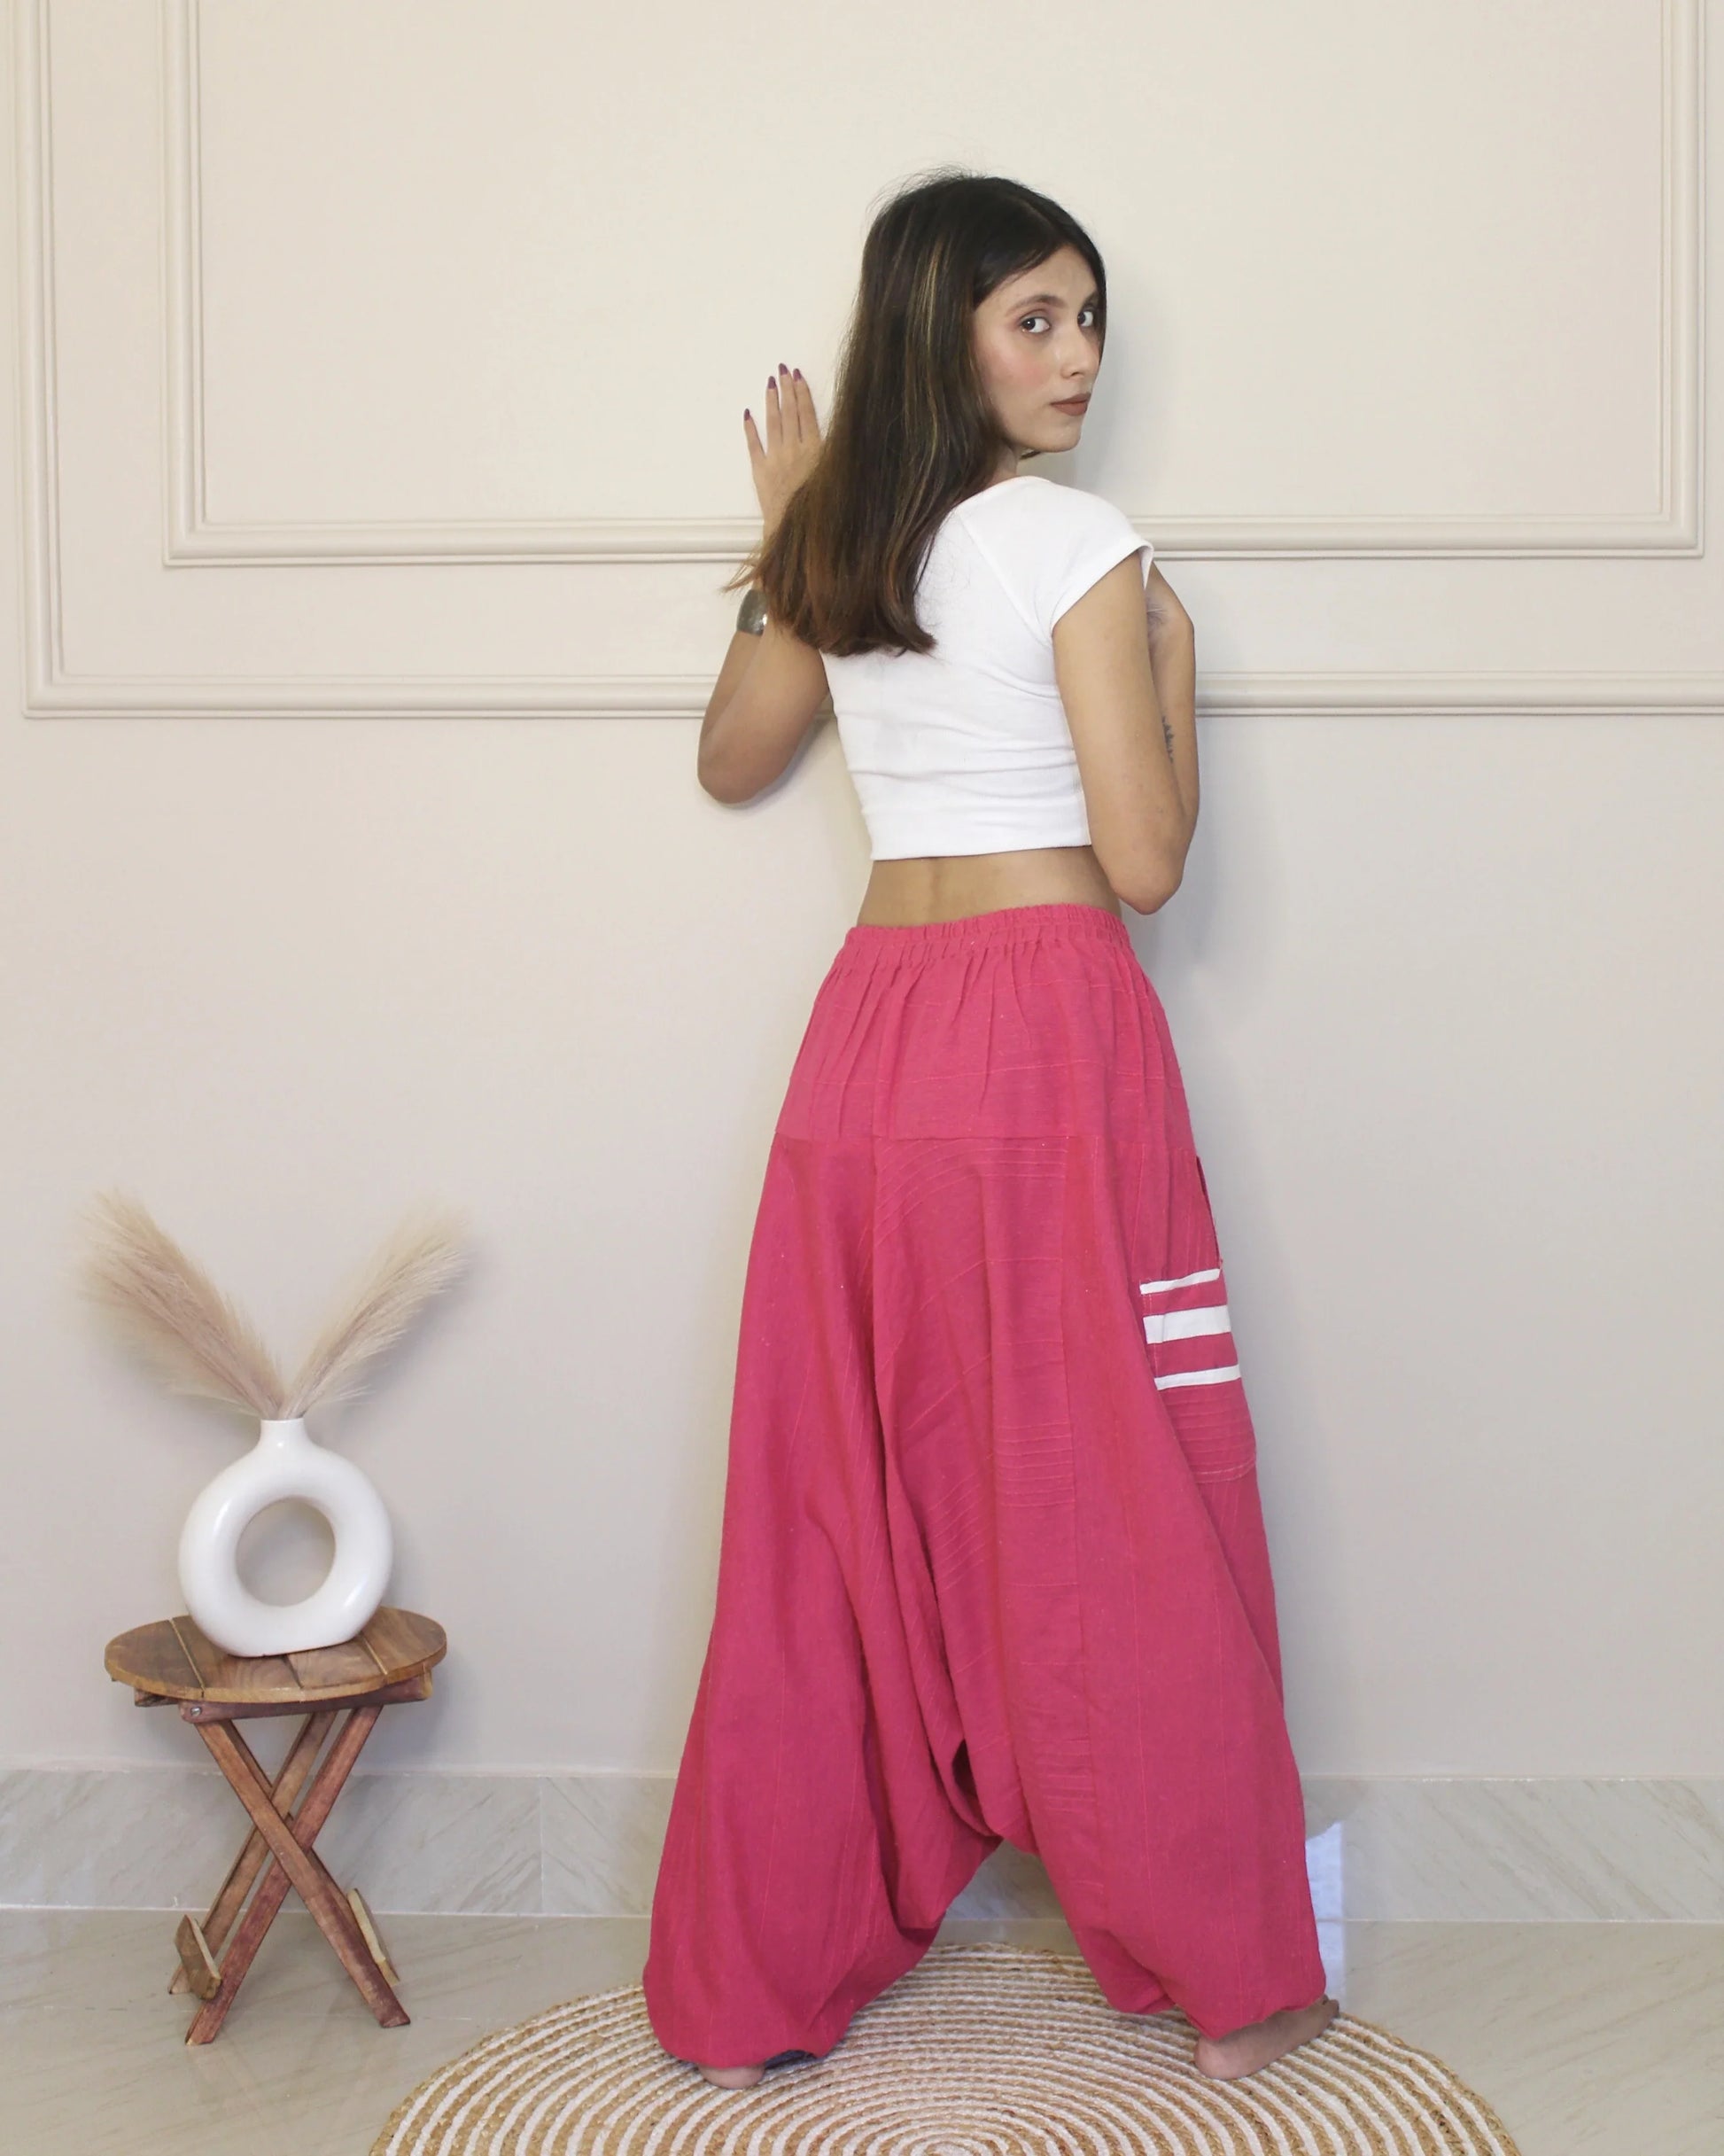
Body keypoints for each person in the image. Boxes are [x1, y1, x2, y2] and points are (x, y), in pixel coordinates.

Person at [641, 168, 1340, 2091]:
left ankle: (760, 1969)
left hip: (868, 1046)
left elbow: (730, 758)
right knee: (1112, 1477)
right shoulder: (1074, 539)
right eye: (1036, 317)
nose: (1081, 358)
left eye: (1090, 318)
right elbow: (1139, 859)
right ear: (936, 328)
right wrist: (1180, 682)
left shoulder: (847, 547)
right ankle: (1235, 1965)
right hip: (1038, 1036)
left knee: (833, 1497)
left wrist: (796, 532)